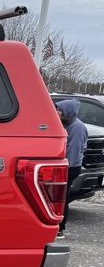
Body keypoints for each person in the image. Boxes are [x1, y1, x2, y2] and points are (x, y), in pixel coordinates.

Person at [56, 99, 88, 238]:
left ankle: (60, 228)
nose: (57, 112)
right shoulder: (67, 124)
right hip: (67, 166)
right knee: (60, 196)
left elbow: (73, 152)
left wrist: (64, 169)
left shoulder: (77, 128)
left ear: (67, 112)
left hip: (71, 167)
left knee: (62, 197)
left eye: (59, 110)